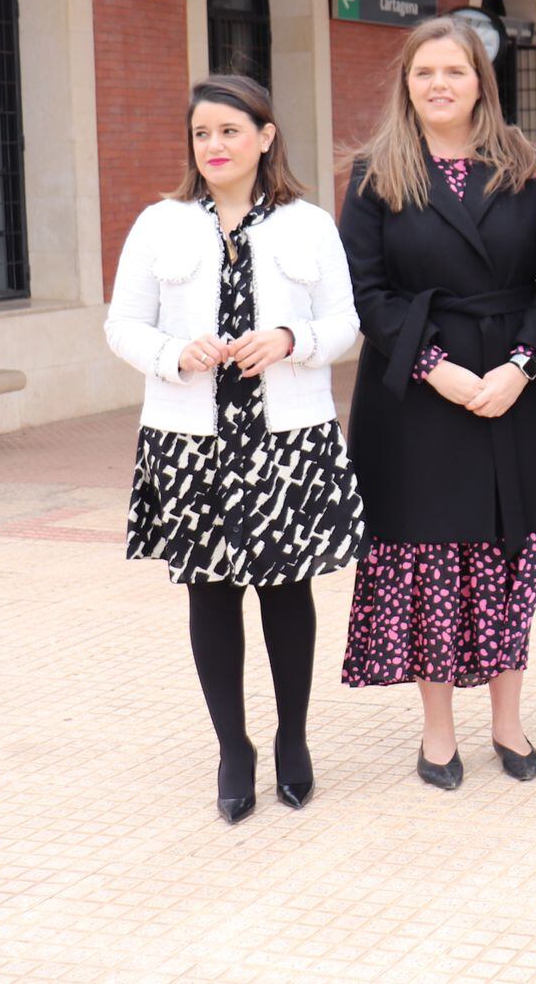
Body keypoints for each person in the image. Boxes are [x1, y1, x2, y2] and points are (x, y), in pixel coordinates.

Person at [338, 15, 536, 792]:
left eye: (454, 71)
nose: (439, 85)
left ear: (481, 79)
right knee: (432, 569)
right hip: (419, 396)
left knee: (514, 559)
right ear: (406, 86)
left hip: (518, 387)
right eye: (424, 73)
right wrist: (434, 367)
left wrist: (522, 365)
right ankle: (438, 733)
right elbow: (367, 292)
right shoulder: (376, 171)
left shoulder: (527, 163)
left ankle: (508, 724)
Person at [105, 73, 366, 823]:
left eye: (229, 130)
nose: (214, 145)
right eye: (202, 134)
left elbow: (346, 325)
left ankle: (292, 739)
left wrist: (292, 339)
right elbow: (122, 324)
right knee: (210, 593)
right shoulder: (160, 224)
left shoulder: (309, 224)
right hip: (191, 441)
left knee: (288, 591)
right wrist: (173, 354)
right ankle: (233, 748)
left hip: (287, 436)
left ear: (265, 136)